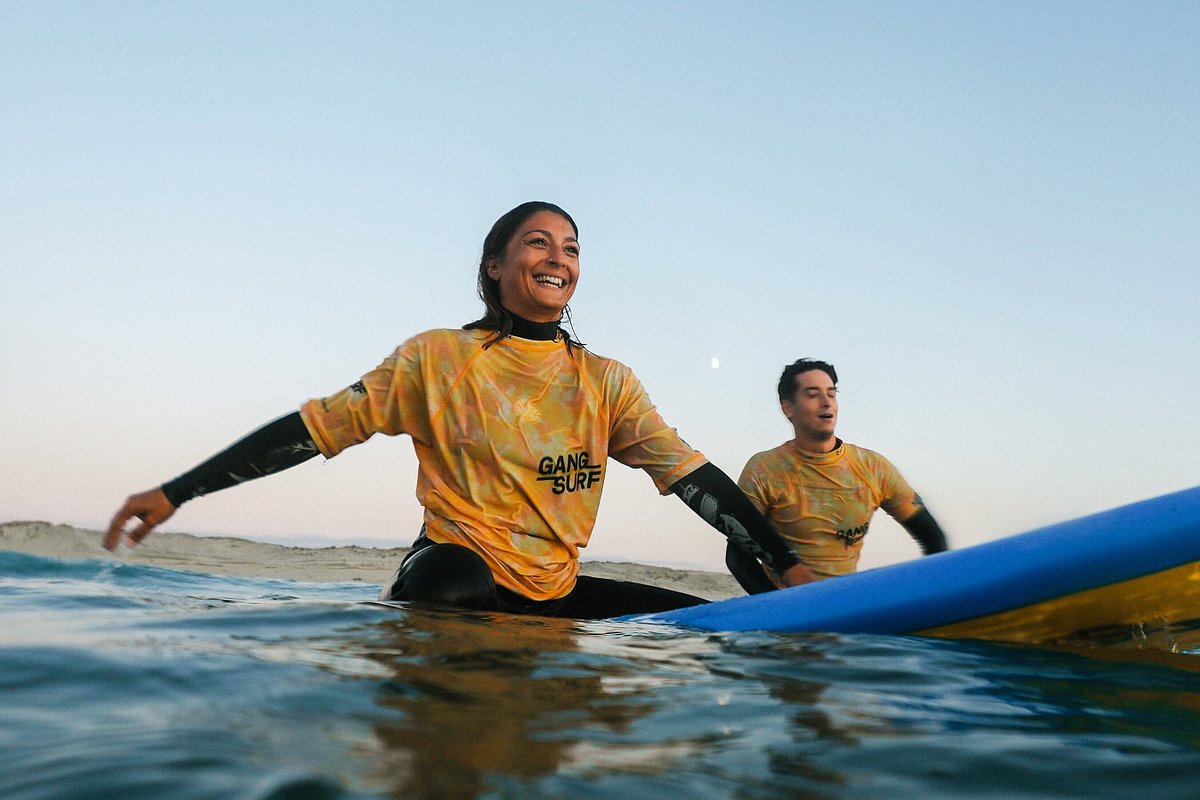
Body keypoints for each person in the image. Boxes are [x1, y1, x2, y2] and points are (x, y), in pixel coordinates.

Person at [107, 201, 813, 618]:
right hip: (449, 578)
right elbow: (311, 430)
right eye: (538, 242)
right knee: (457, 581)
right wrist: (177, 491)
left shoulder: (606, 383)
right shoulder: (438, 359)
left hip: (549, 592)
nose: (558, 258)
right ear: (495, 266)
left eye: (571, 248)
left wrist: (784, 567)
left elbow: (693, 479)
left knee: (708, 622)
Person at [726, 358, 947, 594]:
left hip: (843, 607)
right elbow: (738, 556)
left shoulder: (872, 467)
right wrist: (778, 608)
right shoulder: (765, 470)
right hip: (786, 613)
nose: (826, 403)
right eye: (813, 395)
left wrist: (934, 594)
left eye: (831, 394)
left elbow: (933, 538)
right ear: (788, 407)